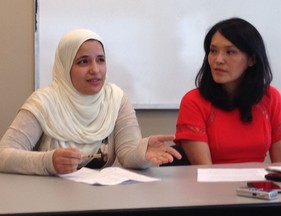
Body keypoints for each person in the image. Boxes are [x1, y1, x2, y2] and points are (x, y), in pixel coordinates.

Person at [0, 28, 181, 175]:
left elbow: (128, 154)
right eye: (83, 62)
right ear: (66, 67)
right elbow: (3, 155)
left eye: (101, 60)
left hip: (99, 200)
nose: (95, 70)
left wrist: (142, 152)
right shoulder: (44, 102)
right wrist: (48, 162)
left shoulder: (116, 99)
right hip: (49, 199)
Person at [174, 17, 281, 165]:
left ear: (252, 59)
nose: (218, 59)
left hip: (259, 187)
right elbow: (204, 170)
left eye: (230, 52)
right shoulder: (194, 101)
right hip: (210, 186)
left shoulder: (270, 97)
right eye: (213, 51)